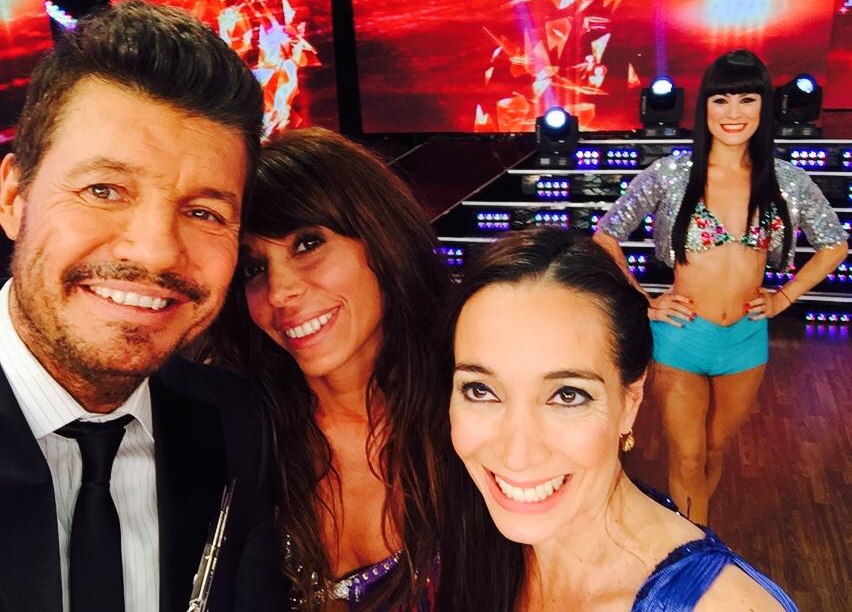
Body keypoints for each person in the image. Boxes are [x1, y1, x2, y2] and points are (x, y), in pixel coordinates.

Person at [0, 0, 287, 612]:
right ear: (14, 198)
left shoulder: (235, 424)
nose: (157, 252)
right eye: (104, 190)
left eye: (204, 212)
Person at [435, 226, 797, 611]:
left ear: (630, 400)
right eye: (480, 390)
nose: (517, 455)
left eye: (567, 395)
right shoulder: (460, 538)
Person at [594, 50, 848, 524]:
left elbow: (835, 245)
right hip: (682, 337)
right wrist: (642, 300)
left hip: (746, 341)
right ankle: (694, 551)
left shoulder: (787, 181)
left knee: (714, 451)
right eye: (721, 100)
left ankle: (697, 535)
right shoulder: (671, 173)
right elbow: (607, 234)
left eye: (746, 100)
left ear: (764, 107)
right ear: (704, 108)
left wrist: (784, 298)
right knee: (688, 457)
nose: (733, 113)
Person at [209, 127, 449, 610]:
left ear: (382, 237)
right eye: (254, 269)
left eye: (308, 244)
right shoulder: (237, 432)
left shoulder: (476, 408)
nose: (280, 293)